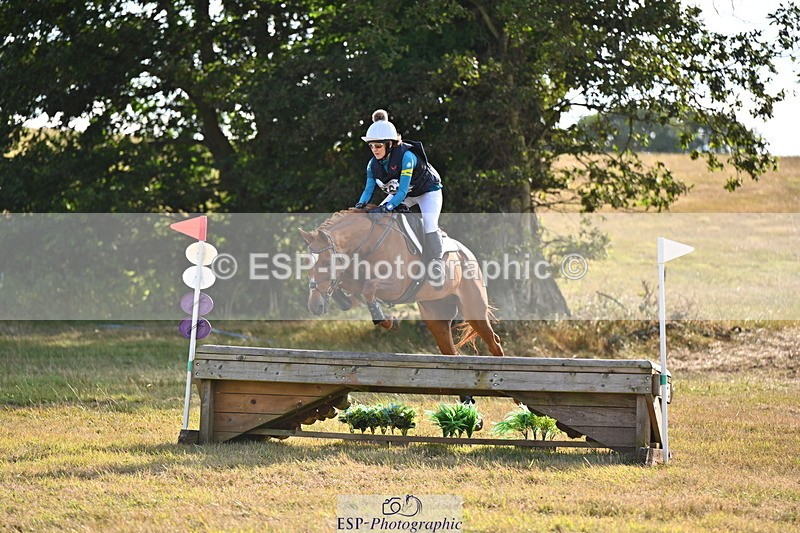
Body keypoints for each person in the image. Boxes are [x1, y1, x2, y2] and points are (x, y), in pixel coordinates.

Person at [354, 109, 445, 287]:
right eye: (371, 146)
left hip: (428, 192)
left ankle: (437, 265)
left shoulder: (407, 157)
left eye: (378, 146)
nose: (374, 150)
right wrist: (359, 207)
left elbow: (401, 192)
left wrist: (387, 208)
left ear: (390, 144)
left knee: (429, 224)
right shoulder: (372, 165)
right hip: (405, 194)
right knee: (376, 220)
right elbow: (368, 189)